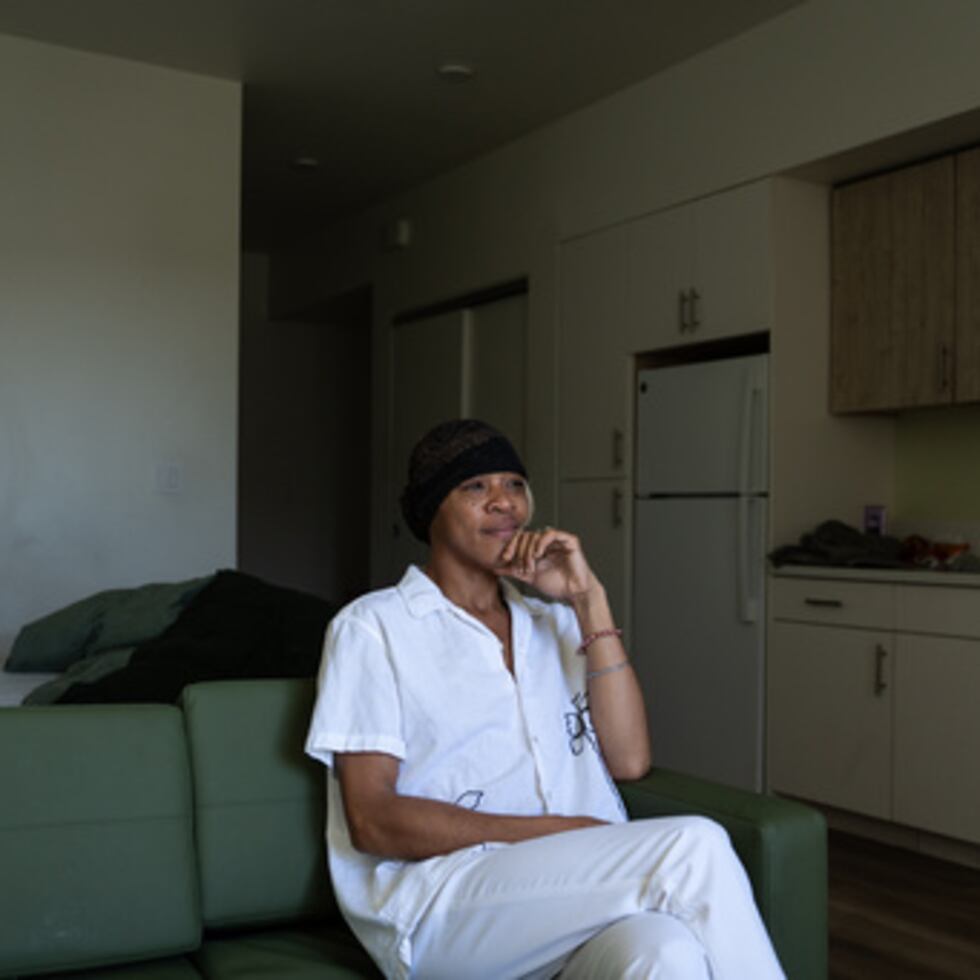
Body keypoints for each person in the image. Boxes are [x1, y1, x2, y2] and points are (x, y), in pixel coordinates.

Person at [305, 419, 785, 980]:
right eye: (476, 486)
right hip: (442, 904)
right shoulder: (373, 627)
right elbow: (373, 820)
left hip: (571, 899)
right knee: (694, 846)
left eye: (514, 484)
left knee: (666, 953)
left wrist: (588, 598)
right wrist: (556, 833)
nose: (504, 501)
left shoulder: (553, 622)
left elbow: (629, 760)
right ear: (431, 509)